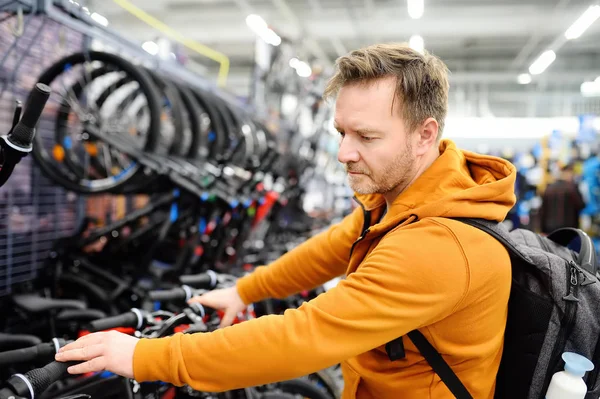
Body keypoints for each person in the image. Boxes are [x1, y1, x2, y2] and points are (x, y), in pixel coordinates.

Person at [55, 43, 517, 398]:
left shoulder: (440, 244)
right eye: (341, 132)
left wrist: (144, 356)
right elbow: (330, 249)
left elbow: (304, 336)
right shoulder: (408, 197)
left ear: (425, 135)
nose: (343, 154)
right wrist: (245, 290)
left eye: (366, 136)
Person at [539, 163, 586, 234]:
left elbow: (543, 210)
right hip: (569, 228)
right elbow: (581, 205)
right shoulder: (572, 188)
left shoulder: (549, 188)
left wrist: (542, 229)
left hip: (550, 228)